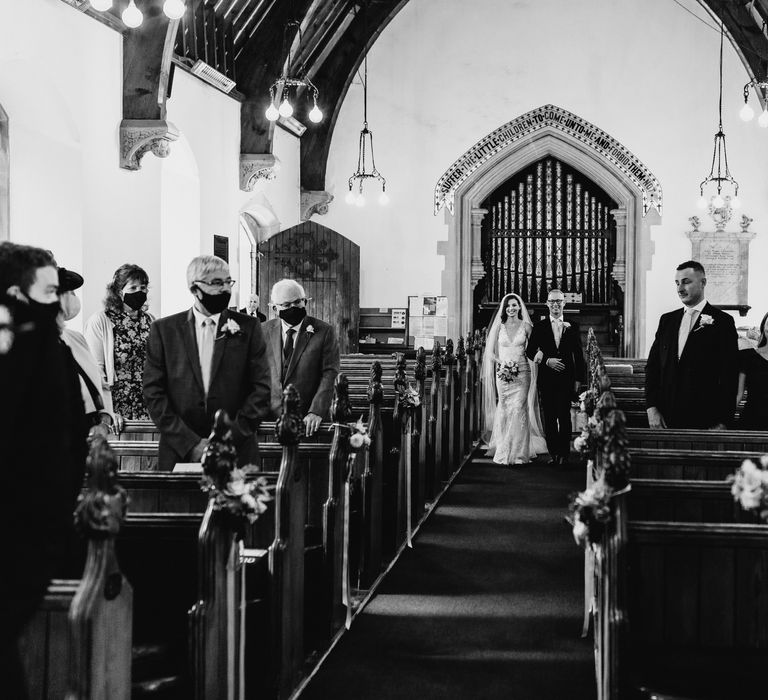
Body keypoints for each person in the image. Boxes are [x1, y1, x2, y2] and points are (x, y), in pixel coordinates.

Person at [0, 242, 87, 698]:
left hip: (25, 532)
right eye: (50, 290)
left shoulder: (47, 352)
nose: (60, 302)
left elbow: (63, 444)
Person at [143, 255, 271, 470]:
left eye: (228, 282)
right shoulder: (164, 331)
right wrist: (190, 443)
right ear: (194, 289)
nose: (225, 290)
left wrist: (229, 437)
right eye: (216, 283)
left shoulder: (248, 327)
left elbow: (261, 389)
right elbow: (154, 392)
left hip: (236, 450)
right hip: (180, 450)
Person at [645, 260, 738, 429]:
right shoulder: (667, 320)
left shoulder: (723, 322)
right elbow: (653, 367)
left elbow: (729, 375)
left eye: (686, 282)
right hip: (666, 418)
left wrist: (723, 421)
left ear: (703, 283)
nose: (680, 289)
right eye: (677, 283)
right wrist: (651, 408)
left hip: (705, 418)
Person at [261, 279, 340, 436]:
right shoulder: (262, 331)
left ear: (305, 301)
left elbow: (330, 374)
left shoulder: (324, 331)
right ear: (275, 307)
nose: (293, 308)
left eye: (298, 302)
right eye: (286, 305)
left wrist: (316, 411)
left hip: (307, 421)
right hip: (268, 420)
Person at [85, 263, 154, 426]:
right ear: (118, 292)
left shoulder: (150, 320)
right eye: (133, 288)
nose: (139, 292)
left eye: (143, 288)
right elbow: (96, 370)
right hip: (116, 410)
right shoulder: (101, 321)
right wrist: (107, 411)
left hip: (147, 407)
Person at [481, 292, 547, 465]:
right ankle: (504, 449)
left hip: (523, 373)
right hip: (503, 374)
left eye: (514, 305)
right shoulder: (499, 327)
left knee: (518, 409)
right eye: (508, 305)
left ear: (519, 307)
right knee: (504, 410)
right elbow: (490, 353)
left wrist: (539, 354)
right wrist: (501, 363)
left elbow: (533, 349)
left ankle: (518, 453)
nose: (511, 308)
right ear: (505, 308)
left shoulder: (526, 326)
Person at [526, 288, 586, 466]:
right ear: (547, 304)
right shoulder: (540, 326)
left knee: (564, 416)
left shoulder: (573, 326)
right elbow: (530, 351)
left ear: (564, 304)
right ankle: (554, 452)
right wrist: (546, 360)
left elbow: (579, 354)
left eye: (559, 301)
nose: (555, 305)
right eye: (552, 301)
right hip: (547, 379)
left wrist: (578, 380)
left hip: (566, 379)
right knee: (550, 417)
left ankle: (564, 454)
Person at [58, 267, 114, 438]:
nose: (73, 297)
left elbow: (100, 385)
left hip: (90, 435)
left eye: (73, 291)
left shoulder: (76, 339)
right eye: (67, 291)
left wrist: (105, 420)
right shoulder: (26, 344)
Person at [736, 311, 768, 430]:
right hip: (752, 422)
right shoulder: (747, 356)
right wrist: (721, 421)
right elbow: (738, 395)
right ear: (763, 326)